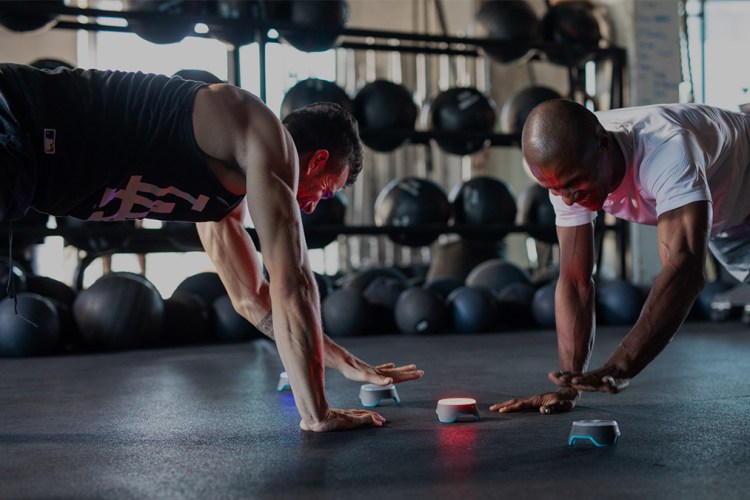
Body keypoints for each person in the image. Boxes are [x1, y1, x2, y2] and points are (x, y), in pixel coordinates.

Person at [0, 62, 423, 431]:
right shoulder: (261, 133)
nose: (312, 207)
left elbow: (253, 298)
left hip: (28, 162)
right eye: (324, 192)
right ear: (315, 161)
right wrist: (318, 414)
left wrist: (340, 359)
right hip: (20, 116)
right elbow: (292, 281)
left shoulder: (223, 199)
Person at [491, 98, 750, 415]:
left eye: (575, 183)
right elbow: (574, 281)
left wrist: (621, 365)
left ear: (604, 143)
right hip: (728, 220)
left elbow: (684, 268)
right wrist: (569, 386)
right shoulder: (563, 169)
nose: (568, 199)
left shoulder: (666, 147)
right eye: (556, 190)